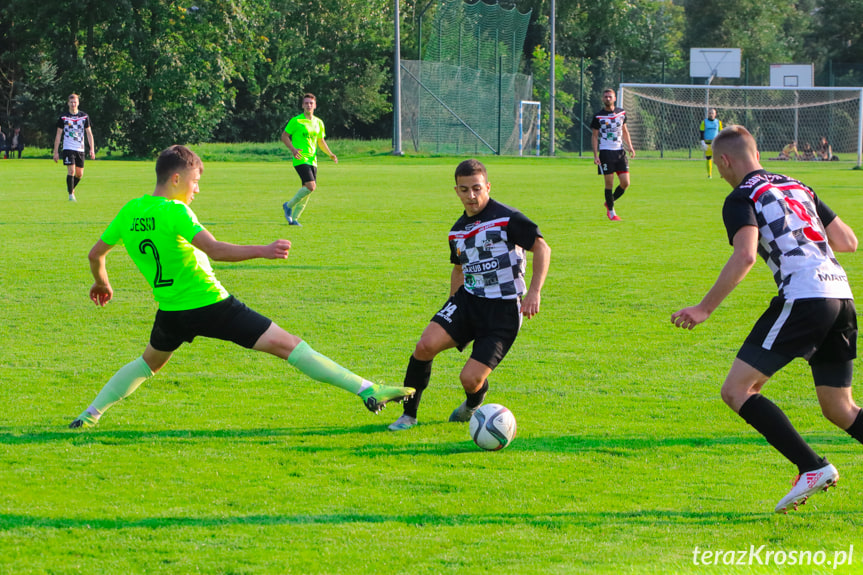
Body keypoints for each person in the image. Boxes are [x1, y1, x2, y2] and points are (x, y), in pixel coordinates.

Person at [69, 145, 414, 429]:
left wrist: (102, 283)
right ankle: (368, 389)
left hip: (172, 310)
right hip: (211, 305)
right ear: (176, 179)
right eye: (195, 181)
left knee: (148, 364)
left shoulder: (131, 210)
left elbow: (96, 254)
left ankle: (89, 415)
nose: (197, 189)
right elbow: (216, 250)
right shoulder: (175, 211)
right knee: (289, 345)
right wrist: (263, 251)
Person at [671, 125, 861, 514]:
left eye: (719, 166)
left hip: (805, 295)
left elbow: (745, 255)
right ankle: (812, 466)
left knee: (737, 391)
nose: (721, 174)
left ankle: (812, 466)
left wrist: (703, 308)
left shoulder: (741, 195)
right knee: (840, 408)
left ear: (725, 160)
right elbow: (847, 242)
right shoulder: (798, 186)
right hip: (841, 295)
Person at [388, 159, 551, 431]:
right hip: (467, 302)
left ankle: (473, 403)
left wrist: (534, 292)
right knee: (424, 346)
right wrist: (452, 304)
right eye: (464, 190)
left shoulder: (507, 218)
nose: (471, 196)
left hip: (502, 312)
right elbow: (459, 269)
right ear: (456, 191)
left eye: (477, 188)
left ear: (487, 186)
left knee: (470, 379)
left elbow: (542, 248)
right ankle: (408, 415)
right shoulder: (457, 231)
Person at [280, 93, 337, 226]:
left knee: (307, 190)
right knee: (311, 186)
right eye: (306, 103)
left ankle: (294, 219)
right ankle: (288, 205)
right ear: (302, 105)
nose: (308, 105)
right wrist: (293, 149)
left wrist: (330, 154)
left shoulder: (319, 122)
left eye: (311, 103)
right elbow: (284, 136)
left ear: (315, 105)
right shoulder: (296, 121)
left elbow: (320, 141)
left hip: (313, 159)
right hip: (300, 158)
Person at [591, 88, 635, 221]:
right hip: (605, 152)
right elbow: (594, 136)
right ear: (602, 99)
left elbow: (625, 131)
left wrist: (630, 147)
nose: (608, 99)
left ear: (615, 98)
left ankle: (610, 201)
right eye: (605, 97)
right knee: (609, 183)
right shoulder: (598, 116)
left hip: (620, 152)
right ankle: (611, 212)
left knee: (625, 183)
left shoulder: (621, 113)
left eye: (610, 96)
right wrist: (595, 155)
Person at [53, 93, 95, 201]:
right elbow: (58, 135)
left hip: (80, 148)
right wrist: (56, 152)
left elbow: (89, 134)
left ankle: (70, 188)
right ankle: (71, 195)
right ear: (68, 103)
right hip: (68, 147)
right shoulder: (63, 117)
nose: (73, 104)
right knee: (71, 171)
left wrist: (92, 149)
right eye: (71, 102)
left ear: (78, 103)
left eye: (75, 102)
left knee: (79, 174)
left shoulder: (84, 116)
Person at [699, 108, 723, 178]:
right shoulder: (704, 122)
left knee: (719, 159)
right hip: (708, 143)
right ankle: (709, 174)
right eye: (710, 113)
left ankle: (722, 173)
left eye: (712, 113)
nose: (711, 114)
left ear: (715, 114)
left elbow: (721, 133)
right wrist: (702, 142)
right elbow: (701, 132)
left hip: (716, 143)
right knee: (709, 158)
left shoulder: (718, 122)